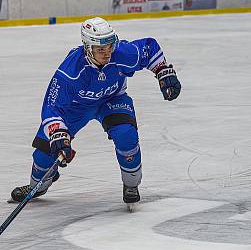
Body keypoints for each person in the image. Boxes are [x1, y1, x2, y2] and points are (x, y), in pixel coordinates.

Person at [9, 17, 181, 206]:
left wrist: (163, 70)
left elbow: (149, 48)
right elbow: (52, 106)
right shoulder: (70, 70)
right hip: (76, 108)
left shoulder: (120, 53)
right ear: (87, 47)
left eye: (109, 46)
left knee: (126, 135)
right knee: (45, 152)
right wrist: (58, 132)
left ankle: (131, 184)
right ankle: (38, 185)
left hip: (112, 99)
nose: (107, 53)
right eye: (100, 49)